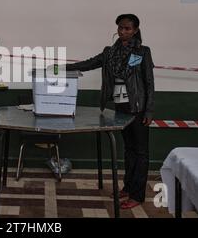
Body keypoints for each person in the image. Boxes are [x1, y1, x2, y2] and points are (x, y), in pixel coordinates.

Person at [65, 14, 155, 209]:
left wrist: (149, 110)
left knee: (140, 152)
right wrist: (64, 67)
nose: (123, 32)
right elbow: (89, 63)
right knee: (128, 149)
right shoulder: (109, 52)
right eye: (120, 28)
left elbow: (149, 82)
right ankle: (128, 187)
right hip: (120, 106)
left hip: (138, 108)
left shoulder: (142, 52)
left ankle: (137, 195)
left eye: (127, 29)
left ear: (136, 30)